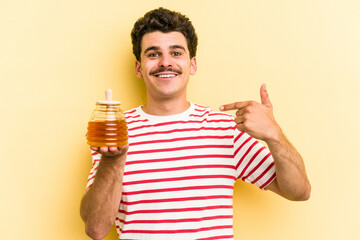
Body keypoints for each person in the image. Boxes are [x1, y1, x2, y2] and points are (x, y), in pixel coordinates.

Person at [80, 7, 311, 240]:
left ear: (193, 64)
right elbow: (96, 229)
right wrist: (113, 161)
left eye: (176, 53)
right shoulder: (116, 130)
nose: (165, 62)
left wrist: (274, 135)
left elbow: (299, 191)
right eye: (153, 54)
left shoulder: (225, 130)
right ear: (139, 68)